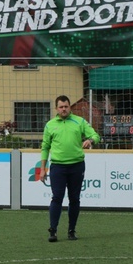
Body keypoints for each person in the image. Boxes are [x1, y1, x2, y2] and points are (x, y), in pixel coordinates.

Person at [40, 95, 100, 242]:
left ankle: (71, 230)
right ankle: (53, 230)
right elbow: (45, 147)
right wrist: (43, 168)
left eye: (66, 106)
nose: (64, 109)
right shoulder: (50, 125)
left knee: (74, 199)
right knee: (57, 198)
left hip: (76, 166)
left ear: (70, 107)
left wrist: (90, 140)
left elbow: (95, 135)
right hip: (57, 167)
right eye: (61, 107)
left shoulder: (79, 122)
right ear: (56, 108)